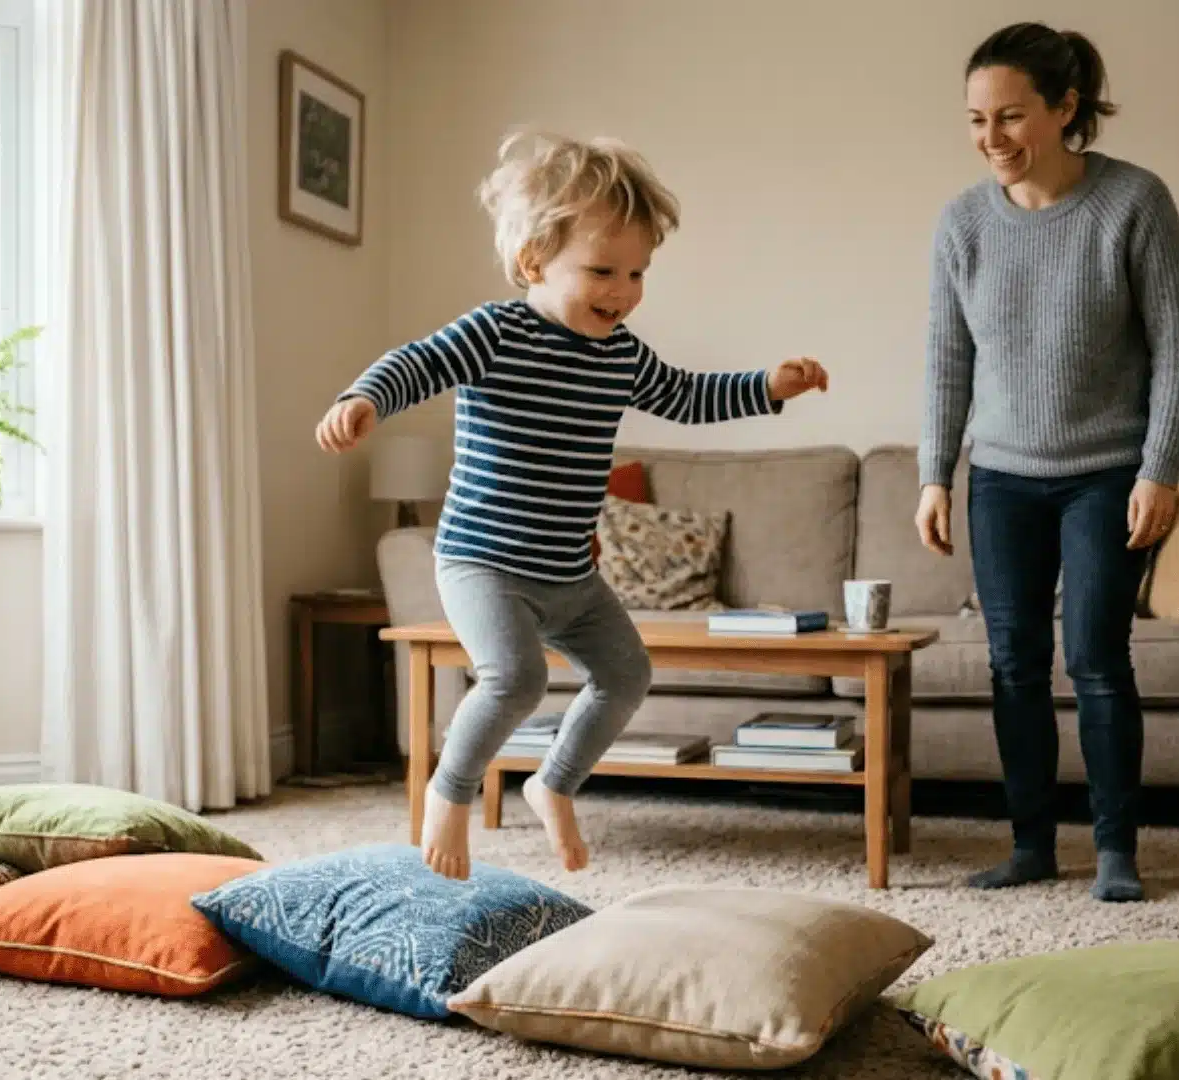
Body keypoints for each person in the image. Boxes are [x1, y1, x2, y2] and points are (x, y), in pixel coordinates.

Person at [316, 131, 828, 881]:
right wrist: (364, 396)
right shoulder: (497, 332)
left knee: (626, 675)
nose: (622, 291)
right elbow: (417, 363)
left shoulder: (620, 353)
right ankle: (449, 792)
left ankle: (552, 782)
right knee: (515, 679)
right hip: (483, 563)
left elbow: (685, 396)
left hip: (569, 575)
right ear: (533, 262)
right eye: (601, 270)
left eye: (637, 272)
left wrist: (767, 387)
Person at [914, 23, 1179, 903]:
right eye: (975, 120)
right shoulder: (962, 222)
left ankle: (1116, 850)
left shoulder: (1134, 203)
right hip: (1000, 477)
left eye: (1010, 116)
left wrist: (1159, 469)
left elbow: (1178, 353)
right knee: (1013, 663)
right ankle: (1032, 844)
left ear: (1065, 108)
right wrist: (936, 472)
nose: (990, 138)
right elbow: (946, 360)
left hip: (1107, 472)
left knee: (1095, 657)